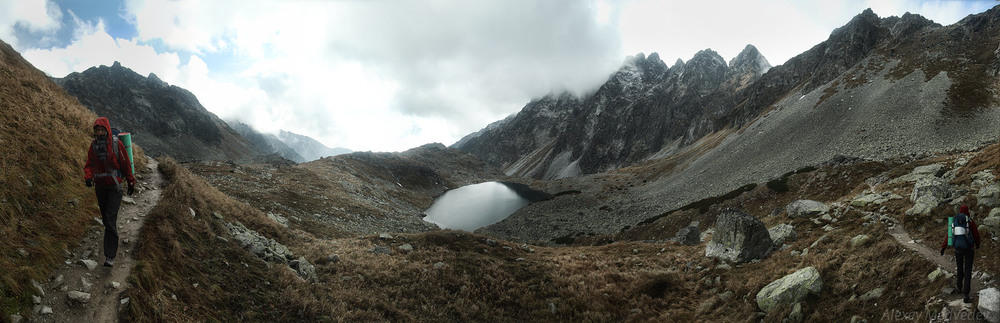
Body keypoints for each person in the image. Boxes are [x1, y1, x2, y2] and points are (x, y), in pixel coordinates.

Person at [84, 117, 135, 268]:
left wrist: (131, 181)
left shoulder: (116, 144)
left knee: (110, 218)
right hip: (100, 187)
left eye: (102, 130)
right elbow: (89, 164)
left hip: (114, 187)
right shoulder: (93, 146)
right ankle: (110, 242)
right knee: (106, 220)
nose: (100, 132)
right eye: (97, 130)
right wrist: (88, 177)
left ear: (107, 130)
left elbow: (125, 163)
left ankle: (109, 256)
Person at [940, 204, 981, 303]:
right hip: (969, 249)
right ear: (967, 211)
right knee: (968, 270)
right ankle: (966, 294)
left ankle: (959, 288)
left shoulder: (954, 220)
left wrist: (943, 247)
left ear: (959, 211)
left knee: (959, 267)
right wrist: (977, 244)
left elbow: (948, 235)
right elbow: (976, 234)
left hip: (957, 249)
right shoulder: (970, 221)